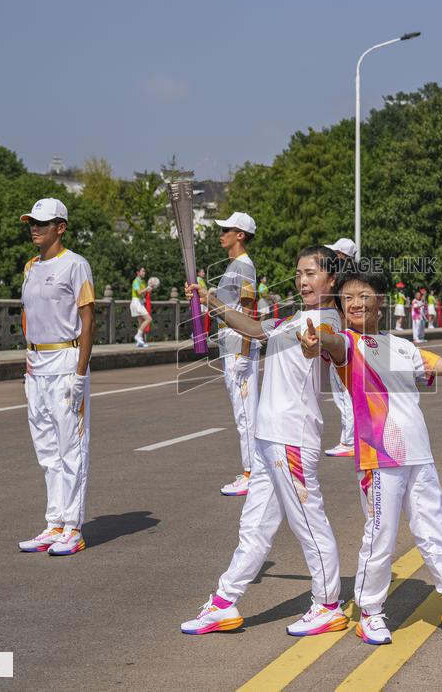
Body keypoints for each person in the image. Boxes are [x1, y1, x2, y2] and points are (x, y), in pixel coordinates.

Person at [298, 261, 442, 644]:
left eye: (364, 296)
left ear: (381, 302)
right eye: (347, 299)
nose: (356, 303)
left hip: (419, 455)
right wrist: (315, 342)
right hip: (379, 458)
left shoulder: (400, 348)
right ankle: (370, 612)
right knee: (381, 535)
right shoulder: (348, 345)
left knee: (433, 532)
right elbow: (325, 342)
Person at [180, 245, 345, 637]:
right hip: (269, 438)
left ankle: (328, 604)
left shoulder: (327, 320)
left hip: (292, 438)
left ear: (331, 280)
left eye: (311, 273)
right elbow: (254, 329)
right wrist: (211, 300)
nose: (302, 280)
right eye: (299, 272)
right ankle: (224, 602)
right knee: (253, 527)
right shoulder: (298, 316)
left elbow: (329, 343)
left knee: (309, 523)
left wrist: (316, 344)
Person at [16, 198, 95, 557]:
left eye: (43, 223)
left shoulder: (76, 266)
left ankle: (73, 527)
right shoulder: (30, 266)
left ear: (60, 227)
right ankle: (54, 523)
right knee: (46, 449)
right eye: (32, 222)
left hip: (65, 360)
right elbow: (26, 313)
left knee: (70, 448)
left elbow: (88, 321)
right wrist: (28, 354)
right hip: (37, 363)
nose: (35, 228)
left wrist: (80, 372)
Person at [212, 212, 261, 497]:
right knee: (241, 411)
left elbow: (248, 310)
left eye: (227, 230)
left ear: (240, 235)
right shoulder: (233, 266)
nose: (222, 234)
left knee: (245, 413)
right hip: (229, 342)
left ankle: (252, 473)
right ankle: (251, 469)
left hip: (237, 344)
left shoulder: (244, 266)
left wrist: (244, 352)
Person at [323, 238, 357, 459]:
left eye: (336, 253)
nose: (332, 256)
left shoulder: (343, 283)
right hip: (344, 338)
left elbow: (343, 314)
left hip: (343, 340)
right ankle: (350, 438)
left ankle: (349, 440)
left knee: (344, 393)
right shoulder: (350, 281)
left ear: (344, 257)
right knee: (344, 392)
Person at [130, 266, 154, 347]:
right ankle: (138, 336)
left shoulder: (143, 282)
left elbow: (143, 294)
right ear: (138, 272)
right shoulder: (136, 281)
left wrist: (149, 290)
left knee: (141, 322)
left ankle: (139, 341)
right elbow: (139, 293)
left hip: (140, 302)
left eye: (144, 271)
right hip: (136, 302)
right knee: (149, 319)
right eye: (143, 271)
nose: (144, 273)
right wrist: (146, 288)